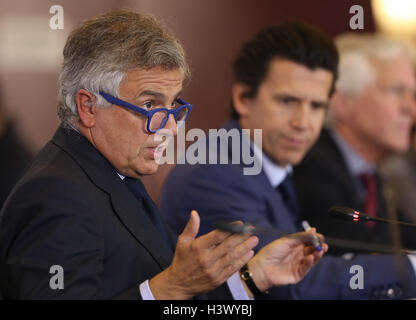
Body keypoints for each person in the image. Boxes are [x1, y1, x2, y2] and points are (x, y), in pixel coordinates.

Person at [0, 10, 325, 300]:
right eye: (150, 105)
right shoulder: (57, 194)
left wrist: (253, 278)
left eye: (173, 106)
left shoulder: (117, 174)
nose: (170, 127)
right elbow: (167, 290)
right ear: (88, 107)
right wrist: (169, 288)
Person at [161, 23, 416, 299]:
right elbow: (290, 282)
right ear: (243, 97)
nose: (303, 123)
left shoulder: (272, 166)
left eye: (316, 106)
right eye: (287, 101)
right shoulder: (213, 174)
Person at [293, 34, 416, 253]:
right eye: (397, 91)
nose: (411, 109)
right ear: (343, 102)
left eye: (413, 95)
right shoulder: (310, 164)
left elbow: (404, 236)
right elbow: (355, 255)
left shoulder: (371, 174)